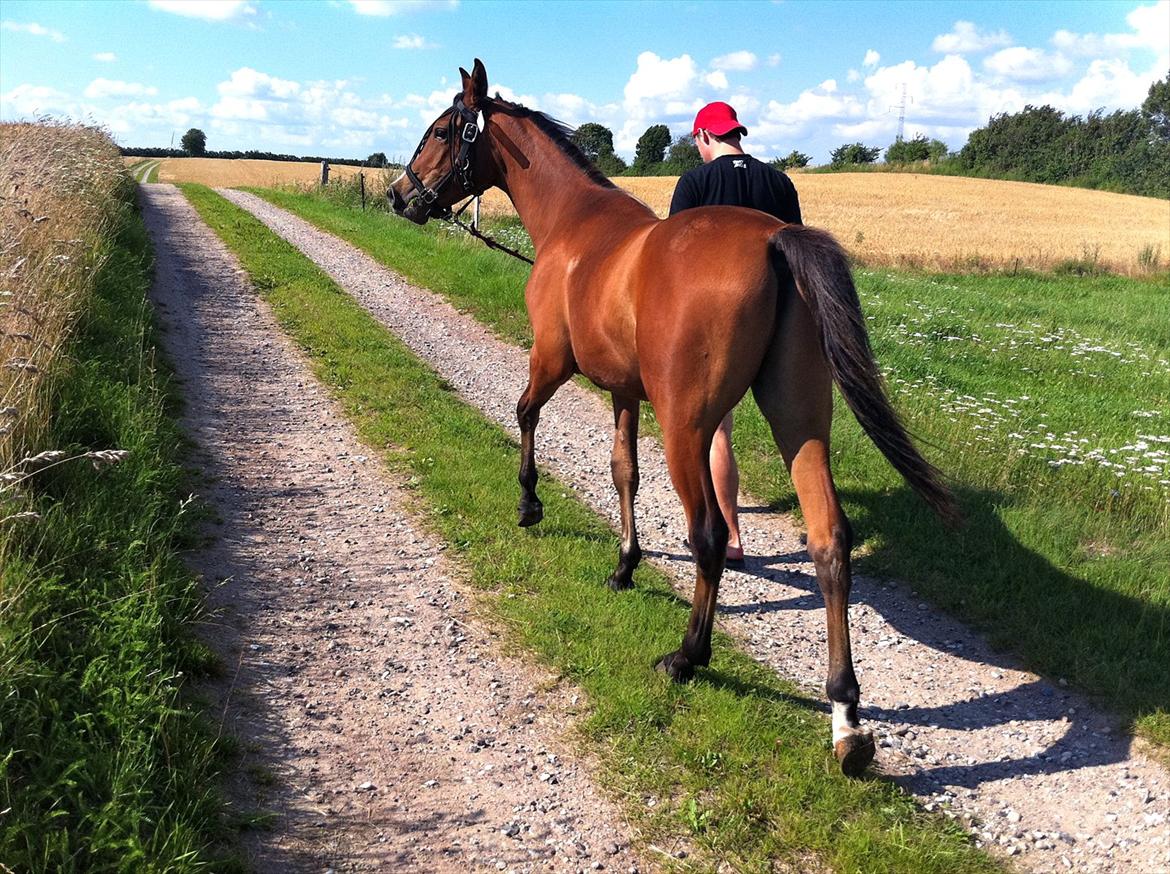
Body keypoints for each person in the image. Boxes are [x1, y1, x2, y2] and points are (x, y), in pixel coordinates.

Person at [669, 101, 803, 566]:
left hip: (720, 325)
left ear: (705, 136)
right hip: (782, 324)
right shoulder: (779, 182)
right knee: (800, 435)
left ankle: (730, 537)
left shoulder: (696, 183)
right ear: (736, 134)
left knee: (716, 430)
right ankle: (821, 525)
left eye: (697, 142)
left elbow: (671, 262)